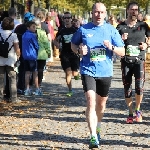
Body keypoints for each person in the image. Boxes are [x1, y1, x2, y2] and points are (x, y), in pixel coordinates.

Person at [71, 2, 125, 149]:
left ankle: (98, 126)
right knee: (90, 101)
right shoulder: (83, 29)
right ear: (92, 13)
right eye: (96, 12)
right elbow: (73, 44)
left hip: (105, 72)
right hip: (88, 70)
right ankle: (93, 136)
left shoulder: (111, 30)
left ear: (105, 14)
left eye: (101, 12)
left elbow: (122, 52)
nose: (99, 15)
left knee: (101, 104)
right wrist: (79, 50)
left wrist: (112, 47)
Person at [116, 1, 150, 124]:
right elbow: (115, 43)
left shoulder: (144, 25)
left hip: (139, 60)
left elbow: (149, 39)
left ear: (138, 12)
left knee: (139, 87)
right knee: (127, 88)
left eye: (136, 10)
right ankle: (130, 112)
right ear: (127, 10)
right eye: (132, 9)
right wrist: (121, 39)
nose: (134, 12)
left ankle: (138, 110)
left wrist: (146, 44)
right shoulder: (120, 27)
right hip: (126, 61)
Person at [54, 12, 80, 97]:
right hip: (64, 54)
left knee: (74, 73)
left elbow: (81, 40)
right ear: (63, 19)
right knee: (68, 72)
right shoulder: (61, 30)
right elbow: (55, 40)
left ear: (71, 19)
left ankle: (76, 74)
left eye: (68, 18)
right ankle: (70, 90)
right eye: (65, 18)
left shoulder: (75, 30)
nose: (67, 19)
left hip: (74, 53)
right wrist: (57, 44)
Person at [0, 17, 20, 103]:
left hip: (0, 59)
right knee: (12, 79)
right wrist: (18, 56)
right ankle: (13, 98)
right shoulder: (13, 35)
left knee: (0, 79)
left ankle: (0, 97)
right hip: (11, 59)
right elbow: (17, 48)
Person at [14, 12, 35, 95]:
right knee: (29, 70)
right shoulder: (30, 29)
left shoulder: (18, 28)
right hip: (29, 52)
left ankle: (21, 87)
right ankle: (27, 87)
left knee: (21, 70)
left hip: (20, 50)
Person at [22, 21, 41, 96]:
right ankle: (37, 89)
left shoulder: (24, 35)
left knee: (27, 73)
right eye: (33, 27)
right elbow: (36, 46)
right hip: (32, 56)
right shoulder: (32, 35)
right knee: (35, 73)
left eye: (35, 26)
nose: (34, 28)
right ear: (28, 27)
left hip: (25, 56)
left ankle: (27, 89)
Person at [34, 17, 50, 86]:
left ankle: (34, 83)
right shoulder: (43, 33)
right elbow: (46, 44)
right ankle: (39, 83)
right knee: (40, 69)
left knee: (34, 69)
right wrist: (49, 53)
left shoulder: (31, 33)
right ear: (39, 24)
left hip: (33, 54)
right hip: (42, 54)